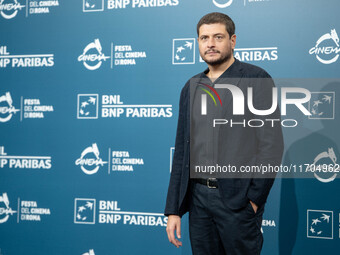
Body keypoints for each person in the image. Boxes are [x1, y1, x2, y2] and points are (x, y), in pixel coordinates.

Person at [165, 12, 284, 255]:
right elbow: (182, 151)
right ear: (198, 42)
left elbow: (271, 146)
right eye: (204, 38)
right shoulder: (190, 87)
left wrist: (253, 200)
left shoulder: (256, 78)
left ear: (233, 40)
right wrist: (174, 209)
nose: (210, 44)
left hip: (237, 201)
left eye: (218, 37)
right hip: (198, 201)